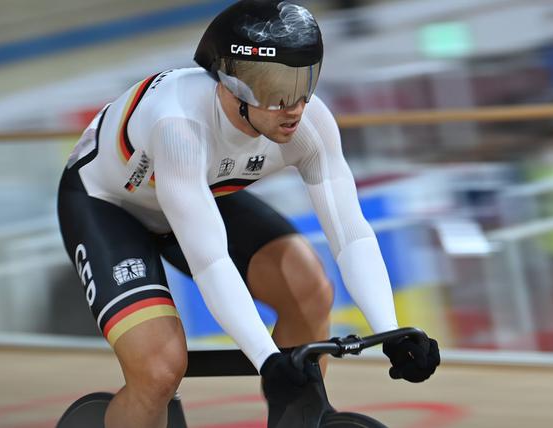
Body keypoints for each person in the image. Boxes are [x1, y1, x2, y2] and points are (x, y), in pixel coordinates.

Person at [56, 1, 440, 427]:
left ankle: (299, 415)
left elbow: (351, 233)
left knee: (309, 288)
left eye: (304, 80)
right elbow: (211, 262)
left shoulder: (310, 124)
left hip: (197, 191)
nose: (293, 105)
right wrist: (268, 360)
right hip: (109, 205)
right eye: (273, 87)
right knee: (160, 369)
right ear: (230, 84)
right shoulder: (180, 127)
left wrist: (393, 331)